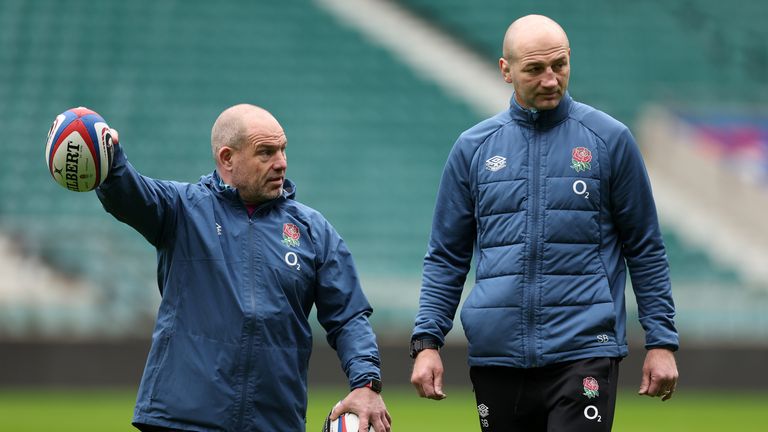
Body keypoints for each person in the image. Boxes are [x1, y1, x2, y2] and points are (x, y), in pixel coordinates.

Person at [409, 14, 678, 432]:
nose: (551, 79)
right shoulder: (472, 149)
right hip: (497, 355)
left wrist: (661, 341)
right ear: (506, 70)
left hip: (585, 349)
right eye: (535, 69)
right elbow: (446, 256)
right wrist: (427, 342)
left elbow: (645, 248)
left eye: (560, 65)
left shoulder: (610, 140)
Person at [96, 104, 391, 431]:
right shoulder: (182, 209)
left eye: (282, 149)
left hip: (273, 424)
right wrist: (108, 159)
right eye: (266, 152)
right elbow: (128, 194)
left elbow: (349, 317)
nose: (281, 163)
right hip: (183, 420)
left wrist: (366, 384)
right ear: (227, 158)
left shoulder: (313, 231)